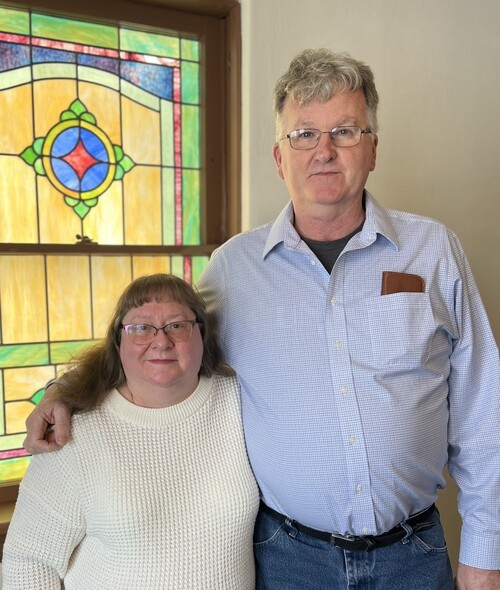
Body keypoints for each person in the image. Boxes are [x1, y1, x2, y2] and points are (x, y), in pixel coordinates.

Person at [23, 49, 499, 590]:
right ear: (280, 157)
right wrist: (66, 391)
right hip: (289, 560)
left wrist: (485, 554)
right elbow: (158, 344)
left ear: (372, 149)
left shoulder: (434, 251)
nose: (324, 151)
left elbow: (484, 411)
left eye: (345, 132)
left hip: (413, 554)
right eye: (304, 134)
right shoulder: (234, 269)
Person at [4, 274, 259, 589]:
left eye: (177, 325)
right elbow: (29, 560)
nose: (161, 341)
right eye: (141, 328)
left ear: (202, 335)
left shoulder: (241, 401)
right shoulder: (74, 430)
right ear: (118, 342)